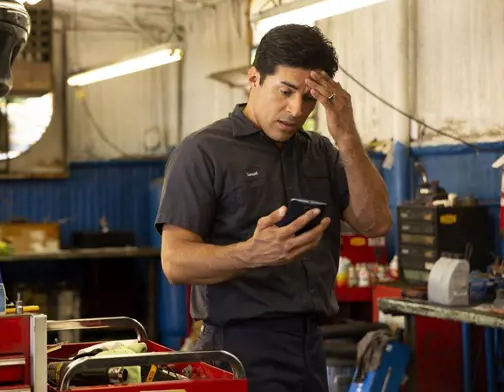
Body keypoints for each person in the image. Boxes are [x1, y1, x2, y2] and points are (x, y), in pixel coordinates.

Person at [155, 24, 393, 392]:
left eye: (310, 98)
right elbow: (175, 262)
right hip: (235, 352)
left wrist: (345, 135)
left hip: (310, 347)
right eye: (286, 91)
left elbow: (375, 222)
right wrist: (252, 253)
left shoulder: (322, 153)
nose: (296, 109)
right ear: (253, 78)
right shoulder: (202, 153)